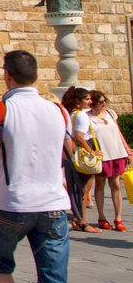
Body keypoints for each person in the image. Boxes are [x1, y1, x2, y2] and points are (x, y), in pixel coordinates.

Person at [0, 50, 70, 283]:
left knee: (0, 264)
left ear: (7, 75)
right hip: (53, 203)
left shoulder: (1, 110)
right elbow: (70, 152)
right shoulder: (59, 111)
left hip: (11, 203)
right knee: (53, 275)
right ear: (35, 76)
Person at [88, 90, 133, 232]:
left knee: (116, 185)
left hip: (117, 153)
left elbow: (118, 132)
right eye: (101, 102)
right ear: (93, 103)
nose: (104, 104)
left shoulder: (111, 113)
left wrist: (127, 149)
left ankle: (118, 218)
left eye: (104, 101)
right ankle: (102, 217)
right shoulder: (87, 117)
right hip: (102, 155)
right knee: (100, 184)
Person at [60, 86, 99, 233]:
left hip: (74, 152)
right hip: (84, 151)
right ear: (78, 101)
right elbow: (80, 136)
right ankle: (82, 220)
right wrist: (93, 152)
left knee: (78, 188)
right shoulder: (81, 115)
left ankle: (78, 218)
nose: (90, 102)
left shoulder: (72, 114)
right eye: (87, 99)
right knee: (83, 190)